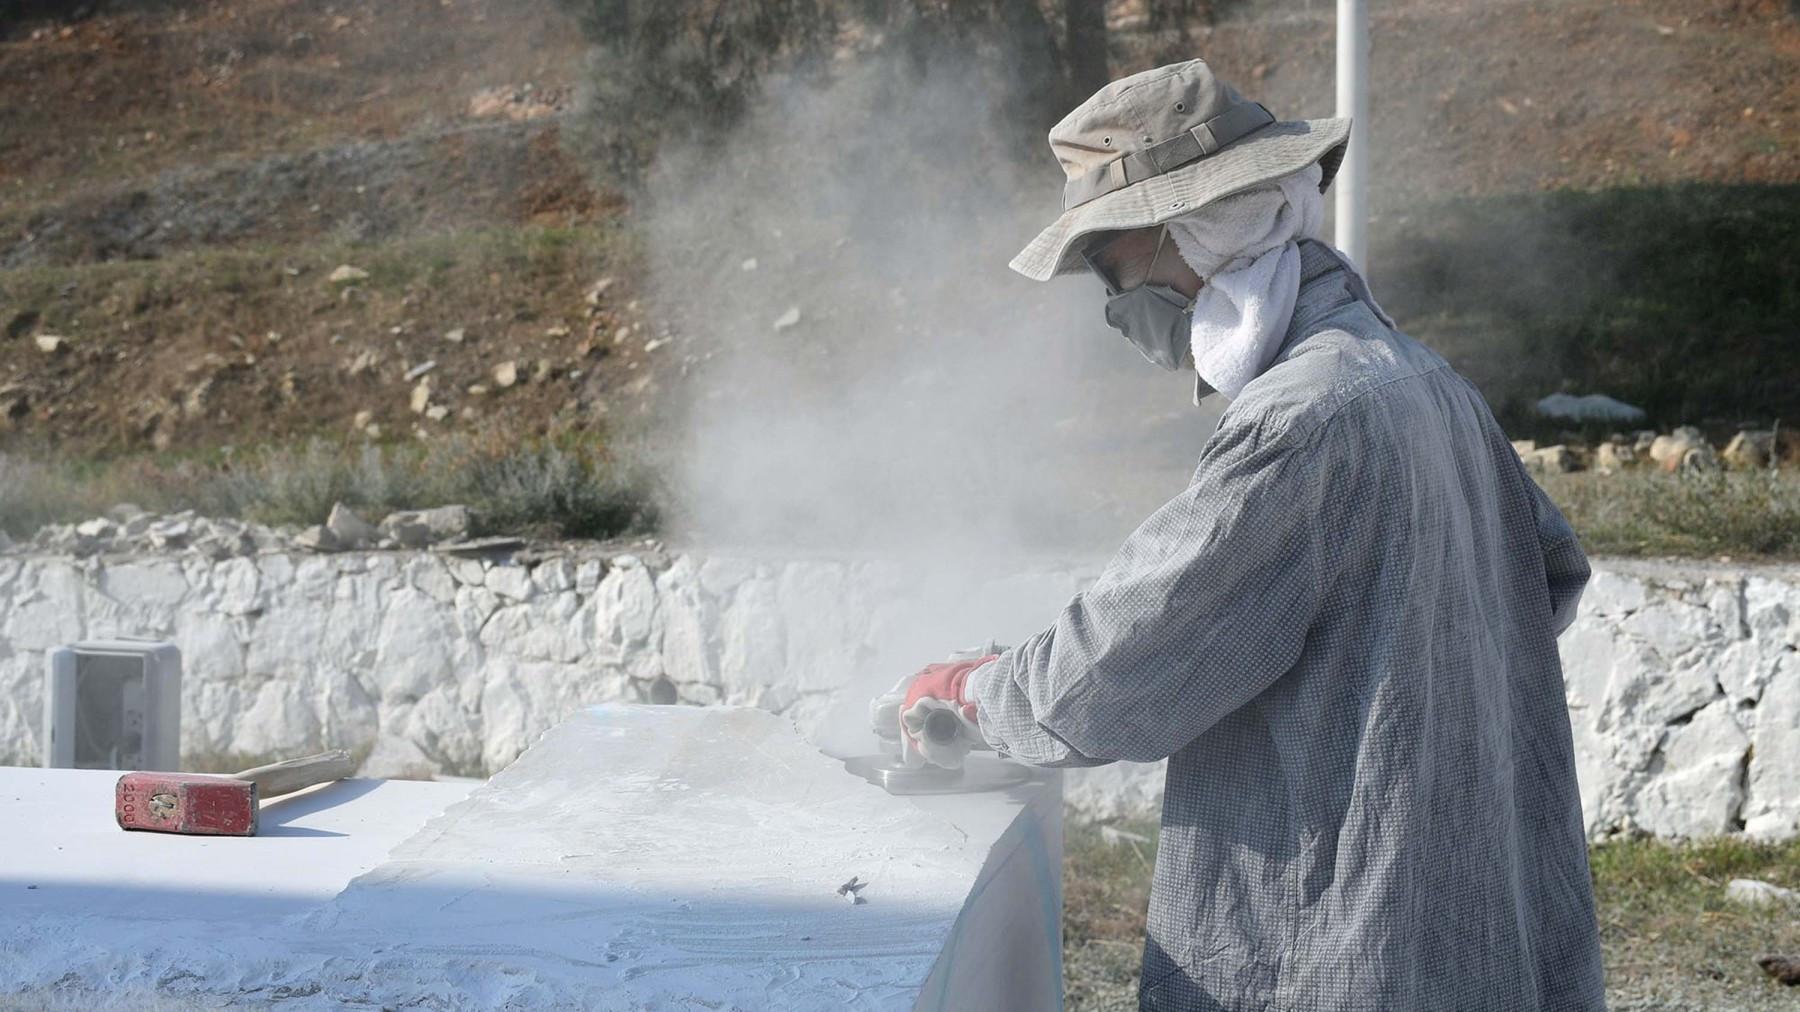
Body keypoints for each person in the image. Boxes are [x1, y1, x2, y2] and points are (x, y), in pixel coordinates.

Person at [877, 59, 1606, 1010]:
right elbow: (1548, 571)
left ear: (1198, 232)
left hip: (1340, 952)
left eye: (1112, 263)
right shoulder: (1426, 382)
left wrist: (970, 692)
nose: (1112, 302)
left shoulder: (1302, 420)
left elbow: (1110, 676)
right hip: (1468, 930)